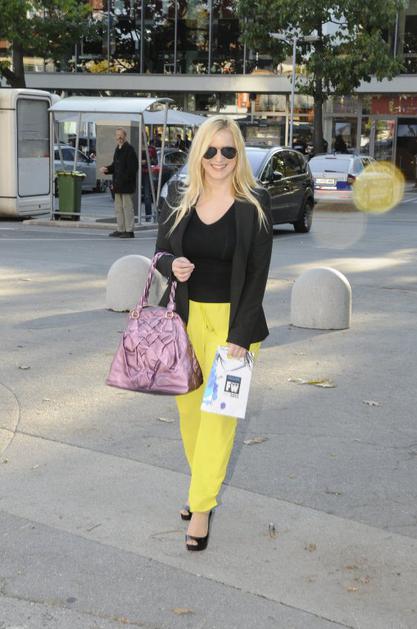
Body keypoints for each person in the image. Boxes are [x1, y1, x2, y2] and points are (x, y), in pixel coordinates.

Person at [155, 115, 273, 551]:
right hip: (185, 324)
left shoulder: (254, 204)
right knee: (190, 415)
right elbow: (160, 252)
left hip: (234, 327)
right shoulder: (179, 197)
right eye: (210, 150)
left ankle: (202, 507)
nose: (218, 159)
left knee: (218, 420)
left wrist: (239, 336)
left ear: (238, 154)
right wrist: (173, 265)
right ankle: (200, 487)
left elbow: (258, 276)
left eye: (228, 150)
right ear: (198, 153)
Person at [100, 128, 138, 238]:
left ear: (125, 136)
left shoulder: (129, 150)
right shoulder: (118, 149)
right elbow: (115, 166)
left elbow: (132, 169)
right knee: (119, 208)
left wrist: (122, 180)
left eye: (121, 135)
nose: (119, 137)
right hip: (118, 185)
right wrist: (107, 169)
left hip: (126, 186)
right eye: (117, 135)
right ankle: (120, 229)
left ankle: (129, 231)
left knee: (127, 208)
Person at [141, 141, 158, 222]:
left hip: (146, 173)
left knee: (147, 195)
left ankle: (148, 216)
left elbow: (155, 161)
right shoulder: (134, 147)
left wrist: (146, 161)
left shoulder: (151, 149)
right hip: (137, 173)